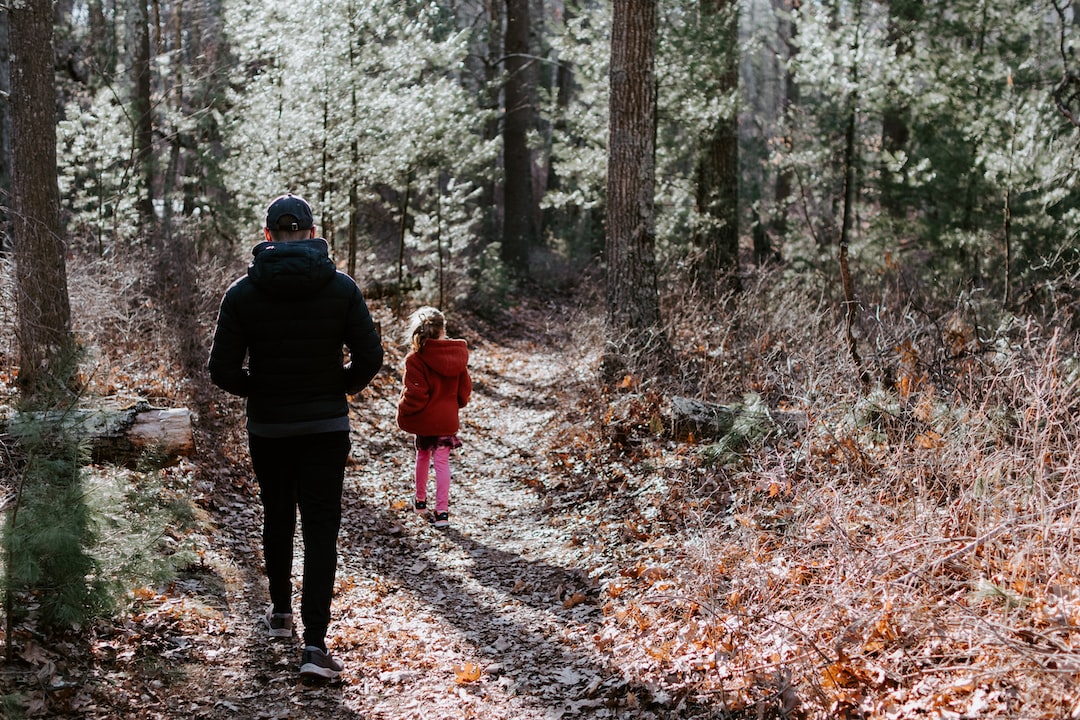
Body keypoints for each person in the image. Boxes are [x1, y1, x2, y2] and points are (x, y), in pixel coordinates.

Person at [208, 193, 383, 681]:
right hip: (326, 427)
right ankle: (315, 645)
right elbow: (371, 357)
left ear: (268, 236)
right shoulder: (340, 288)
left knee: (277, 513)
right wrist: (337, 388)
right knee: (321, 529)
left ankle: (281, 613)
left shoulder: (242, 292)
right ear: (310, 234)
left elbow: (220, 368)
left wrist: (259, 391)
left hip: (269, 426)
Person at [396, 307, 471, 529]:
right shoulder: (457, 356)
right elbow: (464, 390)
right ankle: (442, 513)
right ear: (443, 329)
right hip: (447, 419)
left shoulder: (416, 359)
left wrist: (403, 409)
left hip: (425, 420)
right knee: (442, 463)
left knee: (422, 456)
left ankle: (420, 502)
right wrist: (452, 405)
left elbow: (415, 396)